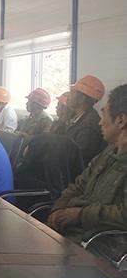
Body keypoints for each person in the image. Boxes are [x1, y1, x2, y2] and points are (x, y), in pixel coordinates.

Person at [47, 84, 127, 243]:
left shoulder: (90, 128)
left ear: (121, 121)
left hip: (95, 243)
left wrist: (79, 215)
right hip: (71, 229)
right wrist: (58, 208)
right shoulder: (109, 151)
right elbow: (80, 184)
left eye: (104, 114)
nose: (100, 122)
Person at [65, 75, 106, 166]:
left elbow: (79, 160)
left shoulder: (89, 127)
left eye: (72, 92)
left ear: (82, 99)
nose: (68, 95)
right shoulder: (77, 118)